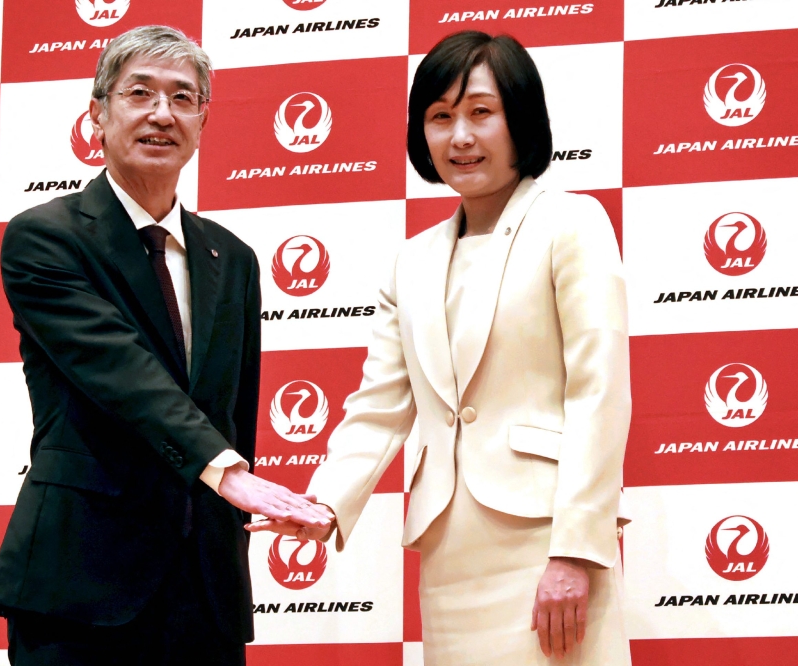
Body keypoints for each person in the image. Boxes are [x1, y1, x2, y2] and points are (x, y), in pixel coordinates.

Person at [248, 31, 631, 665]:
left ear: (521, 119)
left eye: (481, 112)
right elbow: (379, 406)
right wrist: (323, 504)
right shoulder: (411, 260)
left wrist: (575, 550)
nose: (460, 136)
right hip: (451, 548)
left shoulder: (572, 222)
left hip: (548, 541)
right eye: (440, 117)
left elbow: (600, 390)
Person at [0, 25, 331, 666]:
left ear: (203, 118)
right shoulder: (46, 238)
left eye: (182, 97)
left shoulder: (236, 259)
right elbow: (123, 372)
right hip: (81, 584)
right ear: (98, 114)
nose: (161, 114)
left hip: (205, 588)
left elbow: (232, 413)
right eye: (139, 94)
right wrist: (230, 474)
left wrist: (236, 501)